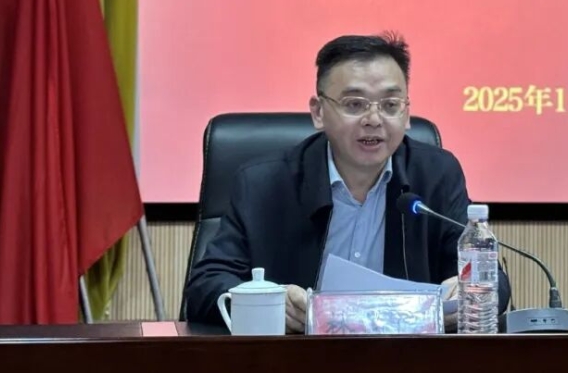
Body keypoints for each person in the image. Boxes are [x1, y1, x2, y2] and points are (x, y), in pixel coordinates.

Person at [183, 32, 511, 332]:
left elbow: (492, 280)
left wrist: (470, 292)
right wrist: (267, 303)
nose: (373, 120)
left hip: (404, 360)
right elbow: (205, 286)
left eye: (390, 105)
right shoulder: (265, 184)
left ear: (406, 113)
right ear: (318, 112)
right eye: (355, 104)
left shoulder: (436, 175)